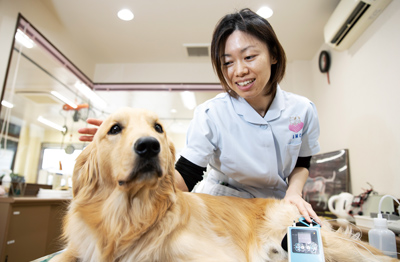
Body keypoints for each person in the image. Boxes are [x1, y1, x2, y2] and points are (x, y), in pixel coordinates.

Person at [78, 8, 321, 224]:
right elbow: (187, 173)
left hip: (279, 206)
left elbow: (302, 163)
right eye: (227, 63)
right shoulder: (211, 113)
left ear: (274, 55)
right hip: (223, 208)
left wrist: (293, 194)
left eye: (249, 57)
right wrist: (121, 147)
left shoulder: (302, 110)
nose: (239, 71)